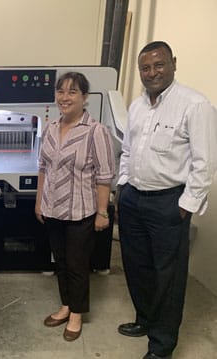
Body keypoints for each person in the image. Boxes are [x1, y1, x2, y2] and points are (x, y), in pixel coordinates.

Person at [116, 41, 217, 359]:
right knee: (137, 267)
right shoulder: (137, 106)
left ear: (173, 63)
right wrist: (122, 186)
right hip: (133, 198)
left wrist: (187, 205)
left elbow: (206, 162)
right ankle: (145, 320)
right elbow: (128, 150)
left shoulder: (195, 105)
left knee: (169, 277)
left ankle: (162, 345)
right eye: (145, 68)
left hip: (168, 203)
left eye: (158, 65)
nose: (151, 73)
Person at [35, 72, 115, 342]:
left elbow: (104, 176)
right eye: (60, 91)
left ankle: (78, 313)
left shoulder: (96, 131)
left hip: (81, 210)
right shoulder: (50, 128)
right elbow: (43, 168)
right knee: (61, 261)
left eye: (72, 92)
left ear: (84, 97)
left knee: (78, 265)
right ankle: (66, 305)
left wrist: (103, 212)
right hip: (53, 208)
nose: (64, 97)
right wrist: (39, 203)